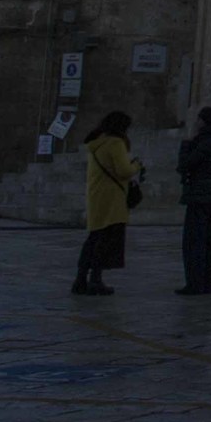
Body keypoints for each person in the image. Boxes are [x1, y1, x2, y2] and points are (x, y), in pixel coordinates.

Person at [73, 111, 142, 296]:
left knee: (94, 239)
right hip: (112, 199)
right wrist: (136, 165)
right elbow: (124, 170)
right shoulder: (115, 143)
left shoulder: (97, 143)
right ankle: (96, 280)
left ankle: (80, 279)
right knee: (105, 241)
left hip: (97, 196)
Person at [176, 106, 211, 295]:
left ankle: (195, 283)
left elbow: (184, 165)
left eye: (199, 119)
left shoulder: (204, 143)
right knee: (208, 241)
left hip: (198, 196)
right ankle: (208, 283)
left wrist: (186, 143)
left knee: (194, 241)